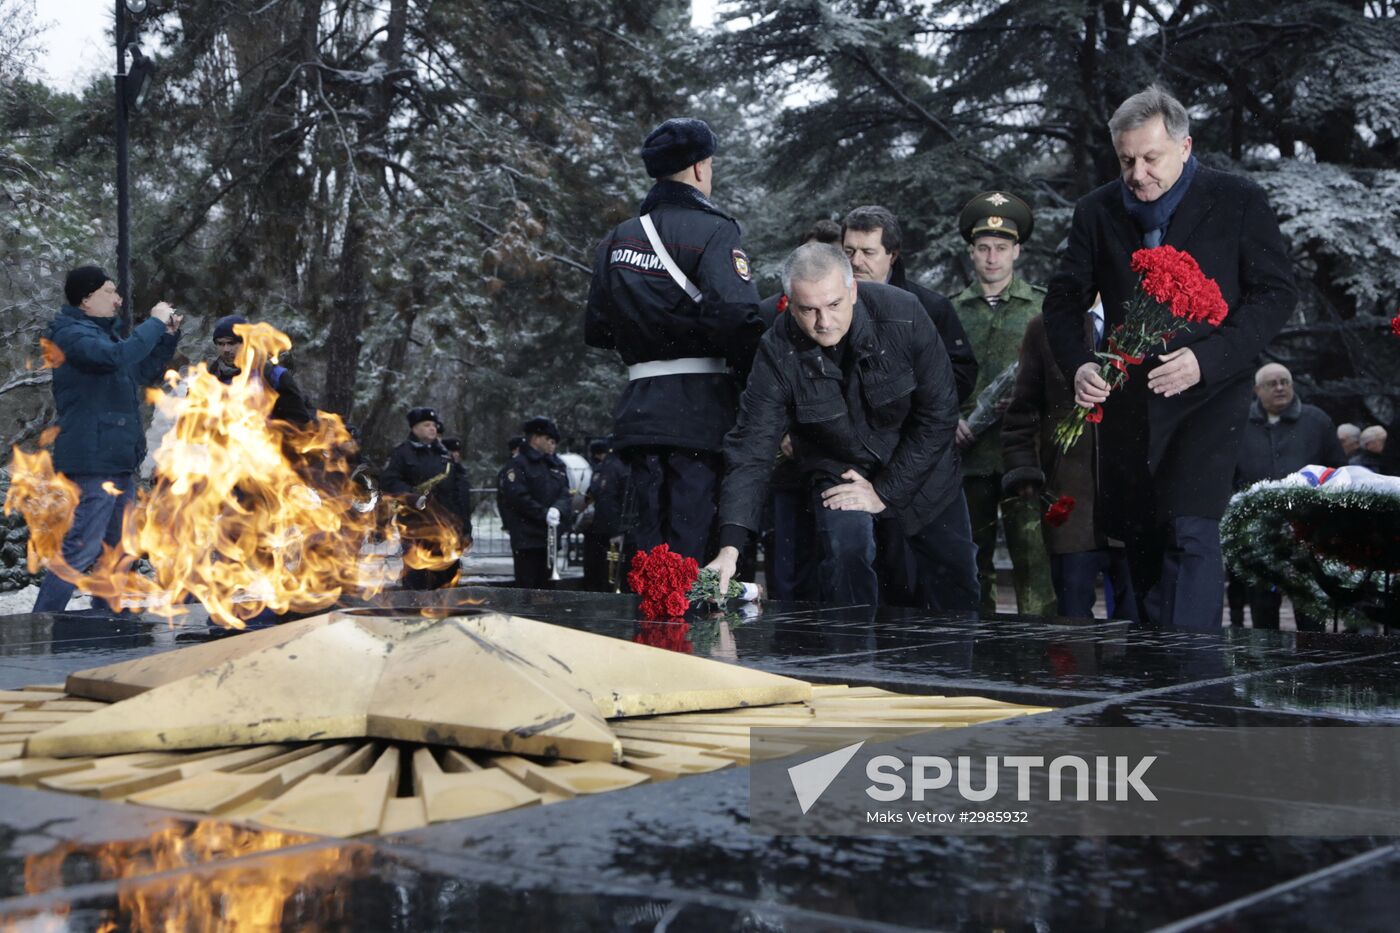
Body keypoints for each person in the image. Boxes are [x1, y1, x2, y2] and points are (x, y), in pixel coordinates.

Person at [1043, 85, 1297, 631]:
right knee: (1143, 545)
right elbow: (1063, 300)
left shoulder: (1238, 199)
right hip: (1128, 409)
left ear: (1185, 146)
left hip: (1208, 399)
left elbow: (1275, 293)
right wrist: (1081, 365)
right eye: (1126, 160)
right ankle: (1151, 687)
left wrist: (1209, 359)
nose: (1137, 174)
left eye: (1150, 158)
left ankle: (1190, 684)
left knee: (1191, 531)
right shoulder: (1096, 210)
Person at [705, 243, 978, 612]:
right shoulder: (776, 351)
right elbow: (752, 447)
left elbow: (940, 414)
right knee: (847, 559)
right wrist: (730, 548)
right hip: (840, 470)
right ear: (789, 302)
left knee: (955, 586)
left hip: (923, 468)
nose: (824, 322)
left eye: (833, 305)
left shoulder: (906, 314)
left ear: (852, 290)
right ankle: (852, 662)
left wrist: (885, 491)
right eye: (808, 309)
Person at [584, 117, 765, 564]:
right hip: (701, 412)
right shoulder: (715, 231)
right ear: (702, 167)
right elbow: (737, 317)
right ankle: (690, 635)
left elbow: (597, 330)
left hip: (640, 411)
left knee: (647, 545)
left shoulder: (615, 239)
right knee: (694, 544)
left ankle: (646, 631)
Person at [33, 265, 182, 612]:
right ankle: (41, 624)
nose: (118, 301)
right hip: (92, 462)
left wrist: (168, 336)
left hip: (118, 461)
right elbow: (115, 358)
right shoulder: (70, 335)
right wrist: (154, 322)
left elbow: (142, 373)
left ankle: (104, 627)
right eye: (110, 292)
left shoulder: (106, 338)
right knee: (82, 548)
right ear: (86, 298)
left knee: (120, 549)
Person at [951, 192, 1056, 616]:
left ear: (1016, 250)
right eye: (982, 248)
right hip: (968, 454)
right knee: (971, 562)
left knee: (1034, 557)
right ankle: (980, 654)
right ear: (971, 252)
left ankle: (1042, 657)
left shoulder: (1043, 306)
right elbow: (935, 377)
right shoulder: (951, 310)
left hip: (1024, 454)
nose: (991, 258)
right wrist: (950, 418)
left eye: (1001, 248)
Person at [1001, 296, 1138, 620]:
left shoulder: (1142, 322)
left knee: (1139, 621)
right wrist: (1025, 471)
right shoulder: (1046, 328)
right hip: (1070, 500)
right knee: (1071, 621)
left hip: (1133, 499)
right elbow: (1022, 412)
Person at [1232, 363, 1345, 630]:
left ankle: (1314, 666)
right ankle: (1267, 665)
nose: (1280, 387)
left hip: (1309, 531)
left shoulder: (1317, 421)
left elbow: (1338, 470)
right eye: (1272, 383)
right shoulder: (1239, 423)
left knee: (1309, 610)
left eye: (1285, 381)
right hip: (1259, 532)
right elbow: (1228, 476)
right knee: (1262, 608)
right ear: (1257, 390)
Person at [841, 205, 977, 402]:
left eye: (868, 252)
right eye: (849, 251)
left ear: (892, 256)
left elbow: (961, 375)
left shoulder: (932, 307)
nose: (856, 261)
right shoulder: (826, 306)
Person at [381, 407, 472, 590]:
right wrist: (413, 498)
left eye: (434, 425)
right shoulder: (402, 453)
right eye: (427, 425)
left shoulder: (443, 454)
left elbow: (456, 492)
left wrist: (464, 526)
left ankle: (443, 613)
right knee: (417, 578)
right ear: (414, 428)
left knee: (446, 579)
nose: (433, 428)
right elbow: (389, 481)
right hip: (416, 527)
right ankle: (413, 615)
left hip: (446, 528)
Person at [498, 416, 572, 589]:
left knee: (548, 590)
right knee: (527, 588)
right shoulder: (518, 464)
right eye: (548, 440)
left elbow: (565, 493)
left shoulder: (556, 464)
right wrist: (543, 513)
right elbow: (517, 497)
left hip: (550, 538)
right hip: (527, 539)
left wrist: (557, 509)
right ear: (536, 438)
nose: (551, 445)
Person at [208, 315, 314, 427]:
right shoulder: (208, 378)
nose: (226, 349)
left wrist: (265, 430)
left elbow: (300, 423)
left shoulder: (275, 376)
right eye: (221, 344)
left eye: (232, 343)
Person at [581, 438, 629, 591]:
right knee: (610, 573)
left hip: (605, 528)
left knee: (603, 573)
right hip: (611, 528)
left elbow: (598, 496)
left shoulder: (606, 468)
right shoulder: (620, 466)